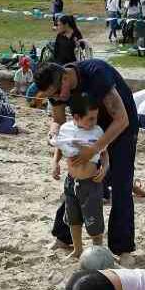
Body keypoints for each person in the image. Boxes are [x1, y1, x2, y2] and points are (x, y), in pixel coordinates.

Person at [33, 60, 140, 265]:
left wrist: (95, 149)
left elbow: (122, 119)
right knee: (77, 180)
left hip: (122, 128)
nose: (57, 98)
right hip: (88, 127)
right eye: (51, 97)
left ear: (65, 77)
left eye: (57, 93)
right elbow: (58, 120)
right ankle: (63, 237)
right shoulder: (56, 88)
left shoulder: (96, 75)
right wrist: (53, 133)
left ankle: (123, 248)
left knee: (121, 185)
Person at [50, 94, 109, 256]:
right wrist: (55, 163)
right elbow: (59, 146)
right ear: (76, 117)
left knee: (94, 220)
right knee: (73, 219)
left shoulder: (97, 131)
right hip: (71, 182)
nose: (94, 122)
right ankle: (77, 249)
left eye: (96, 118)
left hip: (91, 183)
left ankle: (98, 251)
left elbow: (104, 154)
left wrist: (105, 168)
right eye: (90, 119)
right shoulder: (66, 129)